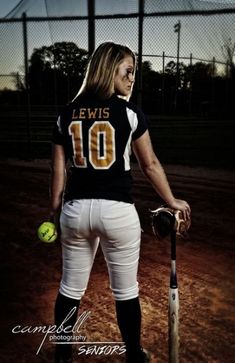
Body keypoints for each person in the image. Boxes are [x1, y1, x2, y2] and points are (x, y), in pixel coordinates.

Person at [50, 41, 191, 363]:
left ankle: (62, 355)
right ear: (109, 70)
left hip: (75, 210)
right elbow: (150, 164)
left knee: (70, 288)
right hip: (117, 213)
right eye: (128, 71)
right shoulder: (129, 114)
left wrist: (55, 212)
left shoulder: (66, 113)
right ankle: (133, 355)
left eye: (134, 73)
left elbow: (58, 168)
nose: (132, 79)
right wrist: (171, 200)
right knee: (125, 291)